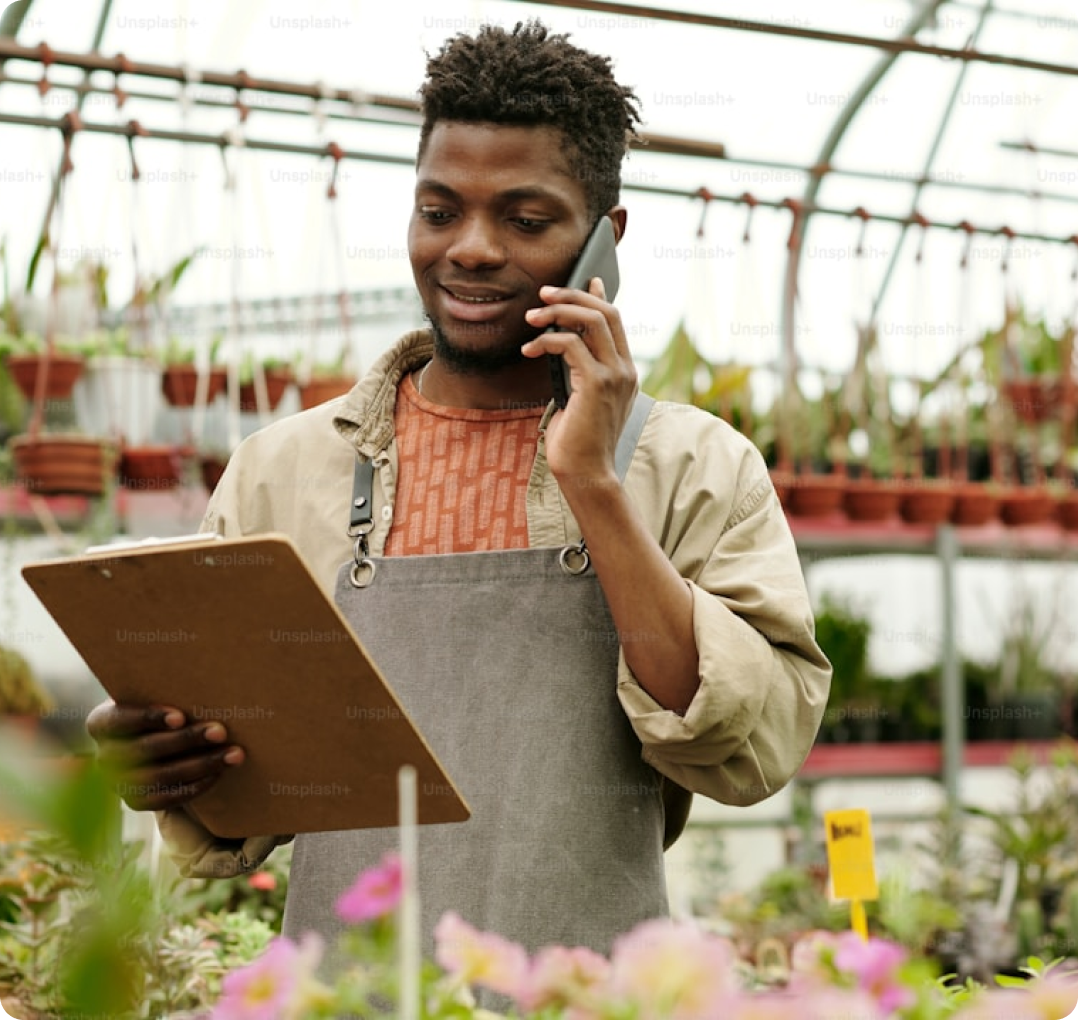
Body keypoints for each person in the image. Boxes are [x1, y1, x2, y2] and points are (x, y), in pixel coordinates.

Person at [87, 19, 831, 961]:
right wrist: (162, 757)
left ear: (607, 238)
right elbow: (242, 806)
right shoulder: (285, 469)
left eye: (525, 220)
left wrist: (594, 483)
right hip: (341, 995)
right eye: (440, 211)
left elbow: (746, 745)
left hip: (591, 995)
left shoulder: (696, 465)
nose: (470, 250)